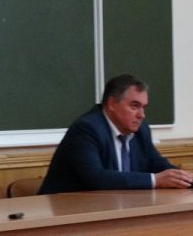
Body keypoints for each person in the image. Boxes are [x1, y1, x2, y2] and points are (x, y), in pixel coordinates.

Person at [38, 74, 193, 194]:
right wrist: (155, 180)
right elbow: (97, 178)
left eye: (143, 107)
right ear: (112, 104)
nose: (141, 115)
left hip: (113, 208)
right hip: (66, 213)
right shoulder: (86, 129)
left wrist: (185, 179)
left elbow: (157, 164)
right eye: (134, 106)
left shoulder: (141, 130)